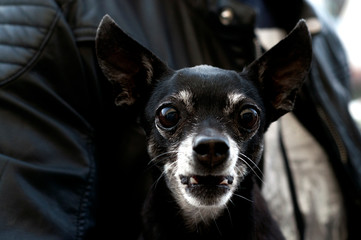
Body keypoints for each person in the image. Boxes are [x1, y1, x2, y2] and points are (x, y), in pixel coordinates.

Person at [0, 0, 360, 239]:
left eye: (246, 118)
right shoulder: (61, 9)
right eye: (171, 117)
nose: (211, 142)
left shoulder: (318, 30)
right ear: (130, 88)